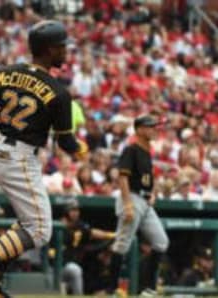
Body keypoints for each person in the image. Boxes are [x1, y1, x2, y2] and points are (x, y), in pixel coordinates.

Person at [0, 20, 88, 298]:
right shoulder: (59, 93)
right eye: (62, 47)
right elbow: (65, 142)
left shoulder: (2, 73)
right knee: (40, 231)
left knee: (30, 223)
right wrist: (80, 148)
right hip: (20, 157)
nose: (65, 52)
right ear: (49, 50)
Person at [109, 115, 170, 298]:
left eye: (155, 126)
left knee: (161, 242)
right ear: (140, 129)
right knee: (122, 244)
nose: (154, 129)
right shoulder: (131, 149)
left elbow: (148, 179)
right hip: (132, 198)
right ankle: (112, 289)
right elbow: (122, 177)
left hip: (144, 200)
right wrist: (127, 204)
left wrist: (153, 193)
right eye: (151, 127)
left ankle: (148, 288)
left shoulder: (147, 151)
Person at [61, 198, 115, 295]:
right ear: (66, 211)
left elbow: (92, 232)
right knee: (75, 269)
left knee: (77, 269)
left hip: (72, 265)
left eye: (77, 210)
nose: (76, 213)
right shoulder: (59, 226)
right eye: (72, 210)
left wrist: (111, 235)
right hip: (58, 266)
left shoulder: (80, 225)